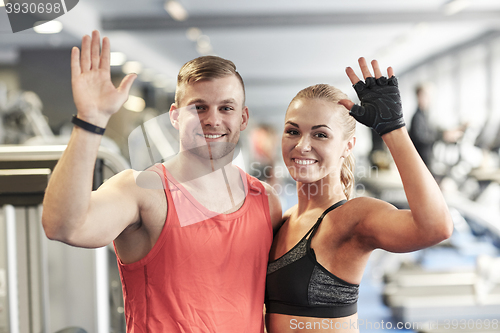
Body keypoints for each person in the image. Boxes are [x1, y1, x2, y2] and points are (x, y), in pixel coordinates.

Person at [42, 30, 282, 333]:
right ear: (175, 116)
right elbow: (63, 225)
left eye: (226, 108)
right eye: (198, 107)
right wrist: (91, 119)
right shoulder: (141, 191)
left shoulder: (266, 201)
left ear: (243, 118)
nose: (213, 119)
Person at [265, 58, 454, 333]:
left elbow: (436, 227)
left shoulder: (350, 218)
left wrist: (394, 131)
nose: (302, 145)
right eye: (293, 131)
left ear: (347, 146)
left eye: (320, 135)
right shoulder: (284, 219)